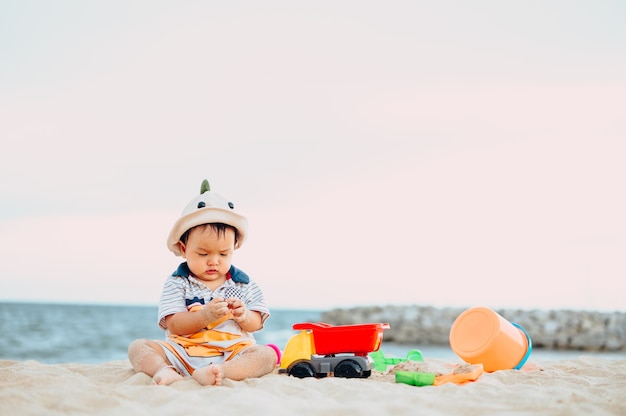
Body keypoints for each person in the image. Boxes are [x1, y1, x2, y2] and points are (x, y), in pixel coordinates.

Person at [128, 180, 278, 386]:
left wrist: (243, 315)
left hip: (231, 352)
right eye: (203, 253)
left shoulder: (243, 283)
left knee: (267, 354)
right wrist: (205, 315)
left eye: (224, 253)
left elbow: (257, 322)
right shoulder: (178, 282)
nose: (213, 261)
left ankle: (219, 372)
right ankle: (165, 369)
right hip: (183, 353)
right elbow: (174, 325)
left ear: (234, 247)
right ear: (183, 248)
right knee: (138, 347)